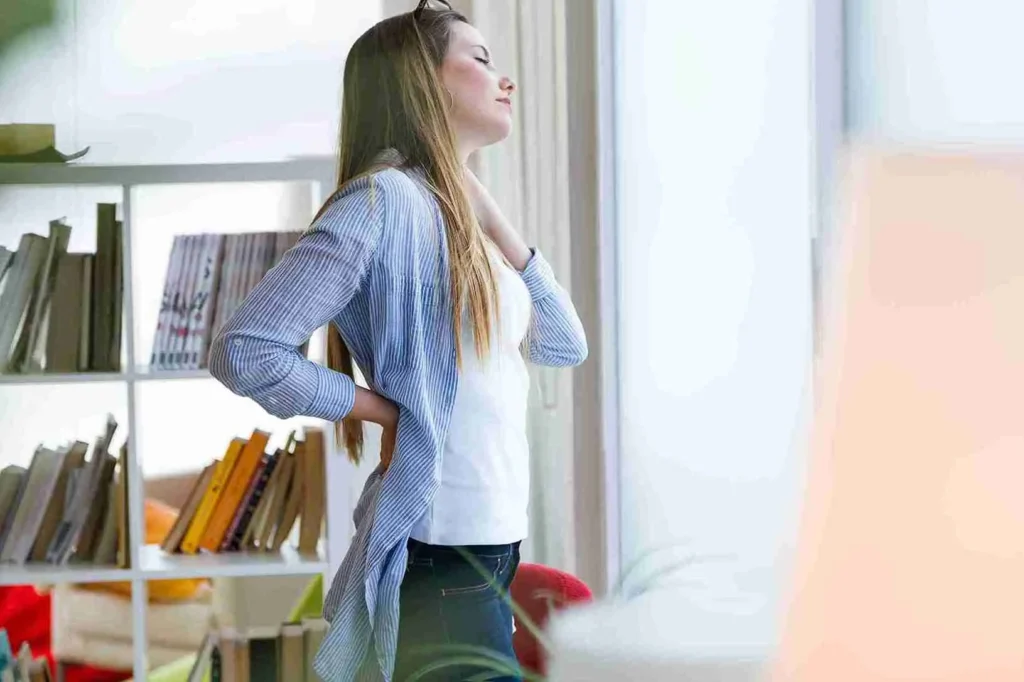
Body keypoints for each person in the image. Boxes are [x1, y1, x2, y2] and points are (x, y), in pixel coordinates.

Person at [207, 1, 588, 679]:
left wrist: (491, 214)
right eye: (480, 59)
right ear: (421, 79)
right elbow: (247, 350)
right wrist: (383, 411)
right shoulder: (381, 203)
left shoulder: (460, 219)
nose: (505, 79)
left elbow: (564, 343)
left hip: (490, 545)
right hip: (443, 554)